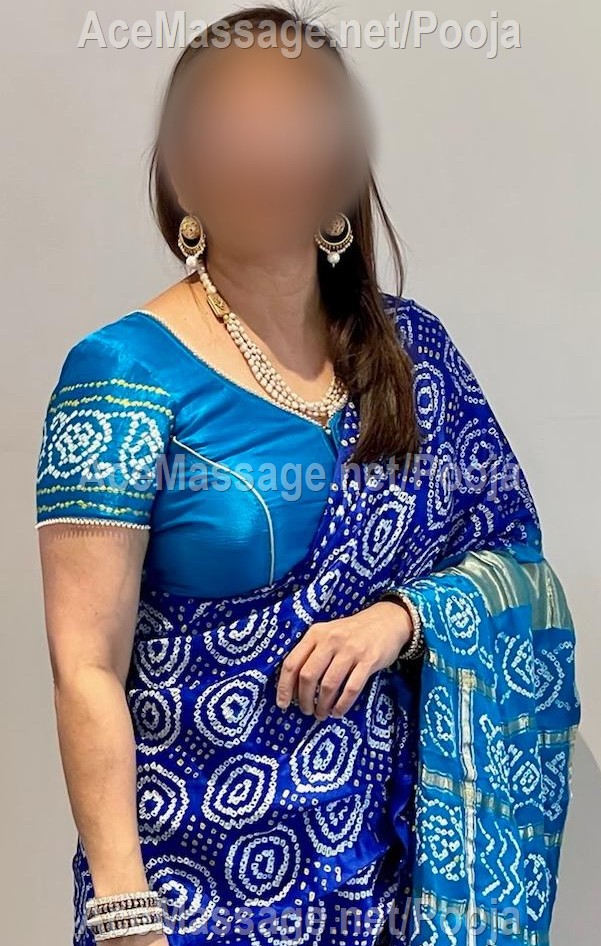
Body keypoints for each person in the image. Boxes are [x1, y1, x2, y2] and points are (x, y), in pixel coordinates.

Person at [35, 7, 579, 946]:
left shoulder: (411, 356)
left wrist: (400, 619)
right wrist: (124, 908)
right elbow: (84, 666)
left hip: (387, 877)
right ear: (180, 167)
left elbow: (516, 568)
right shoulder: (119, 376)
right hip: (192, 884)